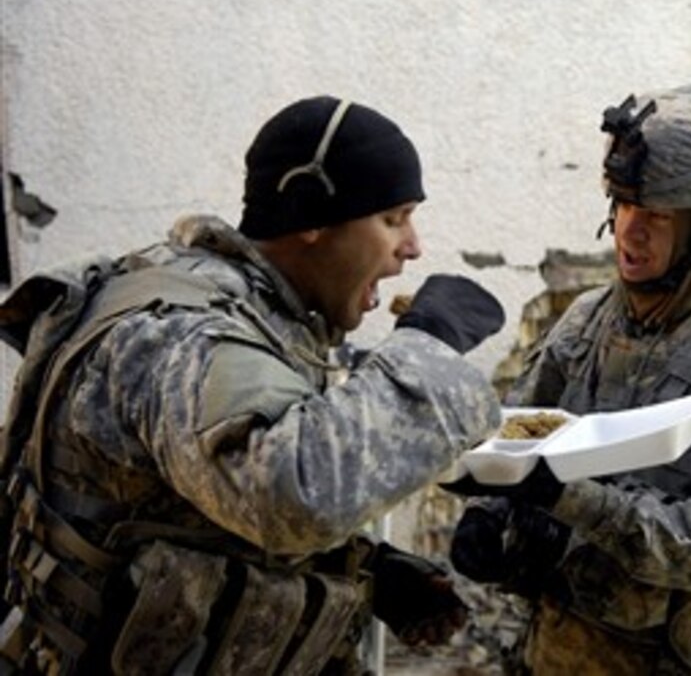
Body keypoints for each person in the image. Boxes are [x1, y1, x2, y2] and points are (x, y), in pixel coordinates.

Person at [0, 95, 507, 674]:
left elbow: (189, 511)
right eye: (393, 218)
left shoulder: (260, 314)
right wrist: (430, 345)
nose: (412, 247)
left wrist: (362, 570)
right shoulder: (177, 334)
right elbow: (290, 494)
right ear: (312, 219)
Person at [447, 84, 691, 674]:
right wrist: (486, 512)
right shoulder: (586, 321)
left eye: (657, 215)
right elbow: (512, 438)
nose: (629, 231)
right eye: (624, 205)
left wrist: (571, 498)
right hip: (556, 645)